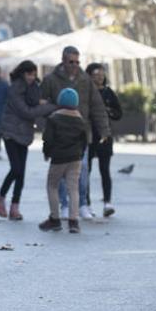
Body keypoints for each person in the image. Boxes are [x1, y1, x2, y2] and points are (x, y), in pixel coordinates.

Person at [40, 46, 110, 220]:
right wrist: (46, 124)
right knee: (62, 171)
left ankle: (82, 205)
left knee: (83, 169)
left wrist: (104, 130)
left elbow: (97, 106)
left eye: (78, 62)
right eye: (71, 62)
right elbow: (41, 105)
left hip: (81, 133)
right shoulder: (50, 80)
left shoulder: (85, 80)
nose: (74, 65)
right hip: (59, 134)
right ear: (63, 60)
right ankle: (64, 205)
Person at [0, 61, 56, 221]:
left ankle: (15, 207)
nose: (32, 77)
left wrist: (47, 104)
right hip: (10, 132)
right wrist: (51, 107)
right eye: (29, 74)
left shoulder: (34, 89)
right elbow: (26, 111)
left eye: (34, 74)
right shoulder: (15, 89)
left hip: (25, 134)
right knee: (16, 169)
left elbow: (35, 103)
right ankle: (0, 198)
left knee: (21, 174)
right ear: (22, 74)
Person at [40, 88, 88, 233]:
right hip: (75, 158)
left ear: (60, 101)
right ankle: (74, 222)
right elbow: (84, 141)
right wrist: (79, 153)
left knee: (52, 185)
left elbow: (48, 139)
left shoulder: (54, 119)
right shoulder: (80, 120)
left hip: (59, 158)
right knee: (73, 188)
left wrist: (47, 152)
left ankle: (55, 219)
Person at [84, 63, 122, 217]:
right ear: (89, 77)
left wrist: (108, 111)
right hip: (88, 136)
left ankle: (107, 202)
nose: (99, 78)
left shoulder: (108, 92)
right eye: (95, 75)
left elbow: (119, 113)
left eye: (101, 75)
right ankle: (85, 204)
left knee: (104, 170)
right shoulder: (84, 92)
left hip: (104, 136)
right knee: (86, 171)